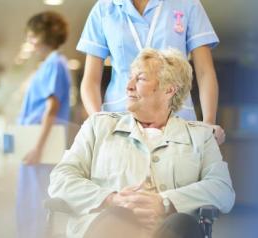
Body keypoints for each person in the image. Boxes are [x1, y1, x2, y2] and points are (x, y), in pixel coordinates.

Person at [49, 48, 235, 238]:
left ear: (169, 89)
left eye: (140, 79)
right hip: (109, 226)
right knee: (119, 217)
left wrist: (165, 202)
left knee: (183, 223)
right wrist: (111, 199)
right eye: (130, 78)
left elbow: (222, 189)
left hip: (167, 231)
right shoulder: (98, 126)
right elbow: (60, 178)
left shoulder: (200, 136)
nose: (128, 86)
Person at [77, 0, 225, 145]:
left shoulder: (188, 4)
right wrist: (97, 121)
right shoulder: (104, 9)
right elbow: (91, 80)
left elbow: (204, 72)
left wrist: (208, 123)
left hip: (175, 118)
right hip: (119, 121)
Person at [16, 11, 71, 238]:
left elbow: (52, 108)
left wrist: (38, 147)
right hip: (34, 143)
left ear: (43, 34)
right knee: (29, 201)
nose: (29, 39)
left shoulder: (56, 64)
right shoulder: (48, 64)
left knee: (36, 202)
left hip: (40, 146)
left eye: (31, 34)